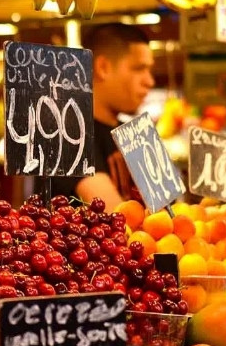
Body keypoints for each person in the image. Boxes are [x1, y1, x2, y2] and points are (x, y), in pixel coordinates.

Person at [52, 23, 155, 210]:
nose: (149, 81)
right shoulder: (67, 135)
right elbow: (115, 216)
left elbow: (170, 212)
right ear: (103, 68)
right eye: (139, 68)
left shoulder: (135, 134)